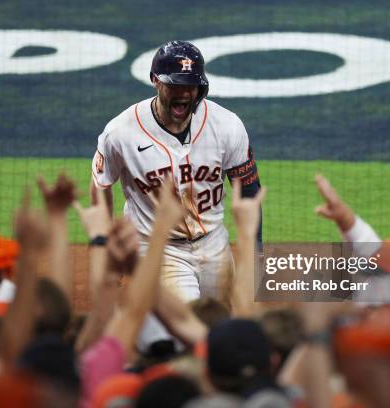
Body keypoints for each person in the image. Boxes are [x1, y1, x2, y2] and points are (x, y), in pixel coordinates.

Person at [90, 40, 262, 301]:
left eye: (190, 85)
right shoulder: (120, 133)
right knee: (185, 319)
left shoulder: (226, 125)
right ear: (155, 80)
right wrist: (106, 246)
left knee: (219, 322)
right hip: (156, 247)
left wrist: (256, 251)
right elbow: (101, 186)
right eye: (175, 84)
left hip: (214, 242)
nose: (183, 93)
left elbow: (249, 189)